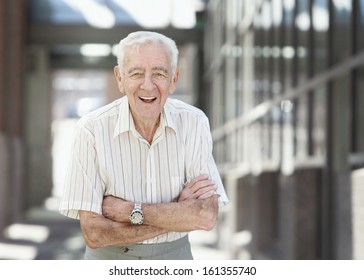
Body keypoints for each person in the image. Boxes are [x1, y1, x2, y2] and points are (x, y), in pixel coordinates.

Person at [59, 31, 228, 260]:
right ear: (120, 78)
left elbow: (206, 215)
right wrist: (179, 212)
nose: (148, 86)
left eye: (159, 73)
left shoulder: (194, 123)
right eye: (136, 73)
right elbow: (95, 233)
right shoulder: (91, 130)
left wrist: (129, 211)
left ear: (174, 80)